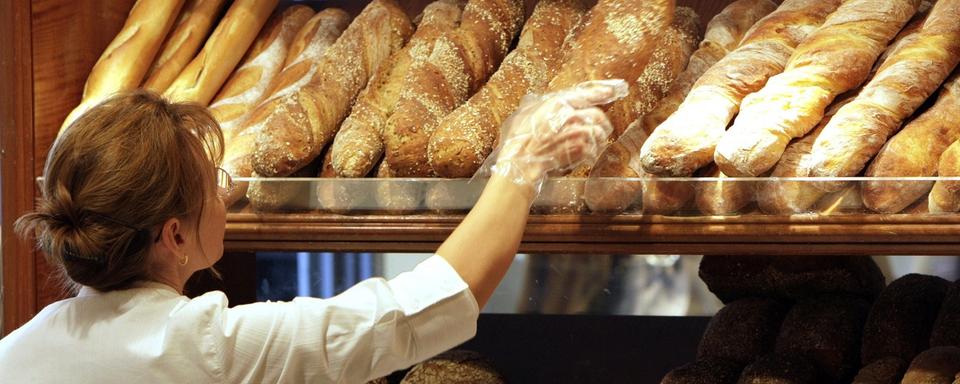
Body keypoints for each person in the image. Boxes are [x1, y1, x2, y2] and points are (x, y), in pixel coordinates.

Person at [0, 80, 625, 383]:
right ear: (175, 237)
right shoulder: (204, 351)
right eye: (212, 182)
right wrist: (524, 159)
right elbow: (423, 306)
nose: (227, 192)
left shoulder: (17, 352)